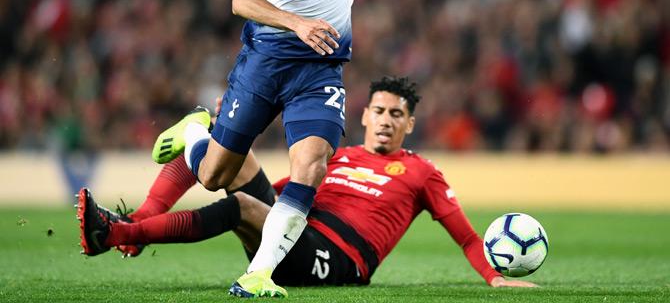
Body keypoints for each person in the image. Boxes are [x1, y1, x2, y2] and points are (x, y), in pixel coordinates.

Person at [149, 0, 447, 298]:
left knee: (312, 162)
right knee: (212, 175)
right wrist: (297, 22)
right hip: (267, 60)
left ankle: (258, 274)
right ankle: (196, 131)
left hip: (321, 66)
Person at [80, 77, 535, 290]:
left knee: (242, 205)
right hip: (296, 233)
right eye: (378, 111)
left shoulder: (422, 172)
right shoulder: (339, 157)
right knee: (230, 153)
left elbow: (467, 235)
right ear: (364, 115)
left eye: (396, 115)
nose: (385, 121)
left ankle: (120, 233)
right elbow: (285, 192)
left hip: (338, 261)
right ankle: (141, 218)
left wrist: (495, 279)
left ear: (409, 124)